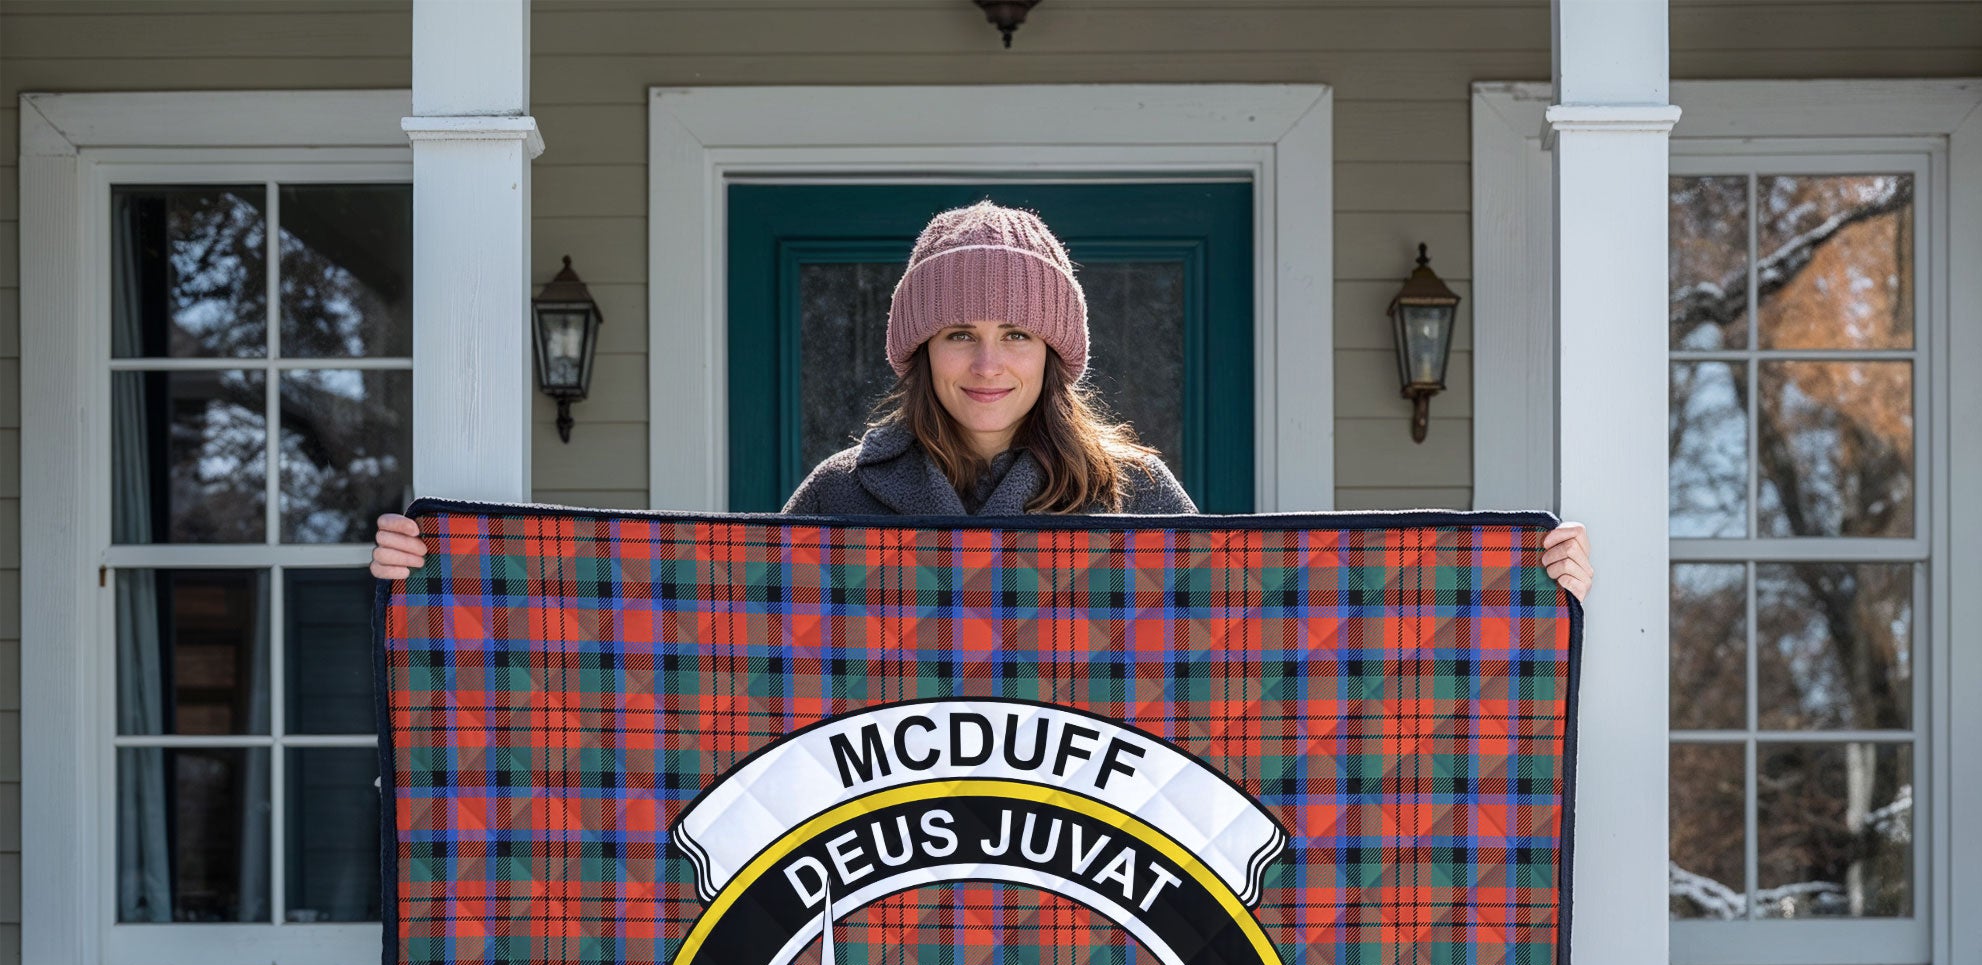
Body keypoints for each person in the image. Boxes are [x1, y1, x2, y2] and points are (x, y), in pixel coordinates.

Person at [371, 197, 1592, 592]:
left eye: (1014, 333)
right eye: (957, 332)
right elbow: (705, 633)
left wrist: (1511, 584)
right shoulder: (842, 498)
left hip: (1090, 859)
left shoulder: (1132, 494)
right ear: (917, 351)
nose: (986, 359)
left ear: (1055, 353)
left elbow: (1253, 648)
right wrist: (455, 574)